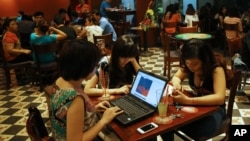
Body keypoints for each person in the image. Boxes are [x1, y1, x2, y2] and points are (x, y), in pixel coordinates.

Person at [46, 39, 123, 140]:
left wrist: (93, 109)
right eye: (95, 66)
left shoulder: (60, 81)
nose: (96, 69)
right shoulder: (75, 99)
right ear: (84, 67)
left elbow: (67, 116)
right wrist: (103, 120)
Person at [169, 39, 229, 140]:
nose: (191, 67)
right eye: (188, 62)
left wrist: (189, 101)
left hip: (215, 109)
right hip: (198, 106)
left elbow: (220, 98)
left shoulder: (216, 70)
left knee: (201, 130)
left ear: (205, 60)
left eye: (195, 63)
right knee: (168, 121)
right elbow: (176, 77)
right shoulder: (188, 66)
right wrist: (176, 84)